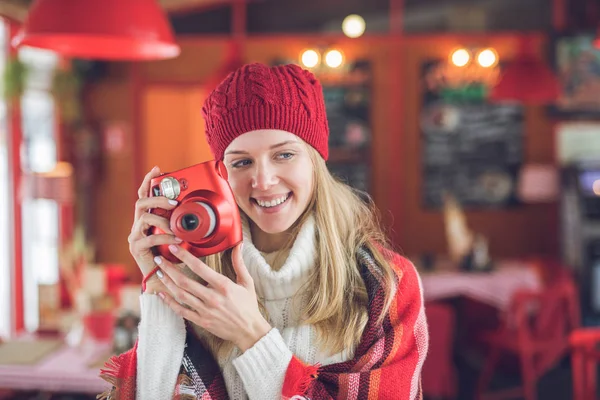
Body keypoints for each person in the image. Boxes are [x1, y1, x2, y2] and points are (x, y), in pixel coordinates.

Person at [100, 62, 428, 400]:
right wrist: (160, 285)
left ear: (316, 161)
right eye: (242, 162)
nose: (263, 180)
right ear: (221, 173)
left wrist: (252, 335)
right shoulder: (197, 278)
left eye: (284, 154)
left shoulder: (387, 283)